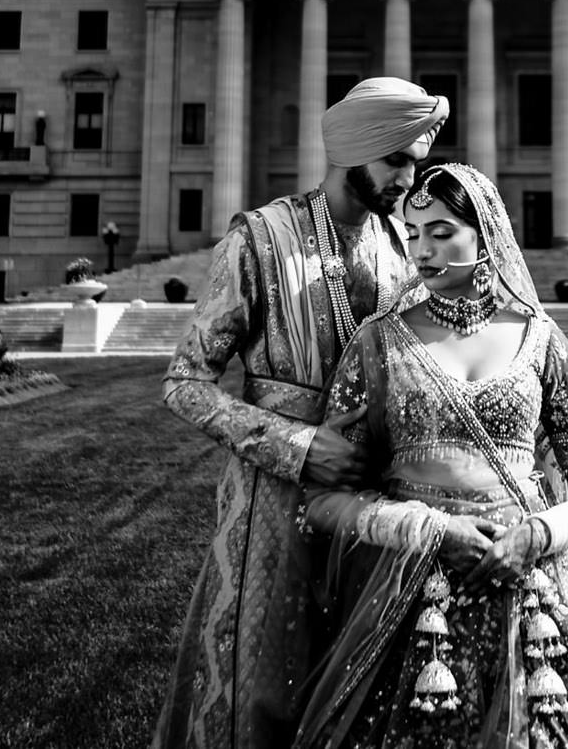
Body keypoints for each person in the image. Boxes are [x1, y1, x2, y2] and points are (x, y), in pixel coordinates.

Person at [153, 78, 450, 749]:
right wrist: (296, 445)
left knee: (360, 697)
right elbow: (184, 383)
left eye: (417, 161)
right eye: (398, 159)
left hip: (373, 507)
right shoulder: (259, 238)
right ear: (356, 149)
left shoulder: (404, 249)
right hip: (270, 507)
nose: (411, 177)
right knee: (255, 692)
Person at [293, 162, 568, 747]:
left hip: (524, 580)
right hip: (409, 586)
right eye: (413, 232)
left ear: (486, 233)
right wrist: (425, 529)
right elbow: (322, 499)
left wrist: (536, 536)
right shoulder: (377, 340)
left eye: (442, 231)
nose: (421, 249)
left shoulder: (541, 338)